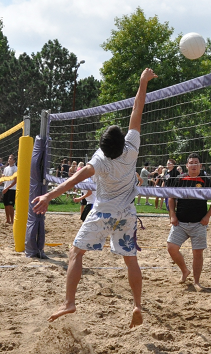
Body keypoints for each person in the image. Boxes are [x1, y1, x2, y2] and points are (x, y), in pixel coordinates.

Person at [32, 68, 157, 327]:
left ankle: (69, 302)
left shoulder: (99, 160)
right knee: (130, 259)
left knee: (76, 253)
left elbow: (72, 181)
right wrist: (142, 82)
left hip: (103, 213)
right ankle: (136, 305)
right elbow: (137, 108)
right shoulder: (132, 148)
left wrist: (48, 195)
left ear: (103, 145)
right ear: (122, 142)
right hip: (128, 214)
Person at [167, 153, 211, 287]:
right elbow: (171, 198)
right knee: (171, 248)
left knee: (197, 253)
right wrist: (172, 215)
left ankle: (196, 282)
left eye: (196, 162)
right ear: (187, 165)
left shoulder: (206, 180)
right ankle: (185, 271)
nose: (194, 165)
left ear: (200, 166)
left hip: (199, 223)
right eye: (191, 162)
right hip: (180, 222)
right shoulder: (179, 179)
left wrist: (207, 216)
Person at [0, 154, 18, 224]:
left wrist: (7, 188)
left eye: (11, 158)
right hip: (6, 188)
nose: (9, 159)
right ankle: (7, 219)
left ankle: (12, 220)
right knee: (6, 205)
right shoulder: (6, 168)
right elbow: (3, 179)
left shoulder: (16, 169)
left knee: (10, 205)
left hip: (12, 189)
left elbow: (15, 181)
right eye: (9, 158)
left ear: (14, 161)